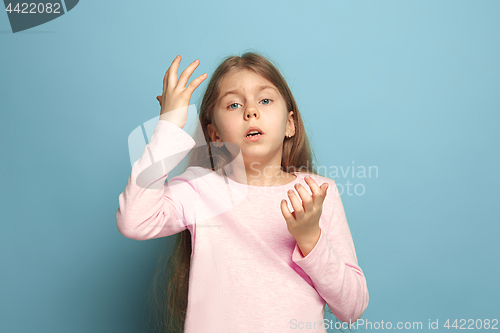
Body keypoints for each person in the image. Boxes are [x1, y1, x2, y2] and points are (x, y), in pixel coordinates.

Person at [116, 52, 369, 333]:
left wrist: (311, 238)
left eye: (264, 100)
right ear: (215, 136)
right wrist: (168, 127)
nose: (251, 111)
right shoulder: (198, 188)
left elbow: (352, 308)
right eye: (234, 104)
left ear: (290, 124)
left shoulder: (318, 193)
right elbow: (133, 220)